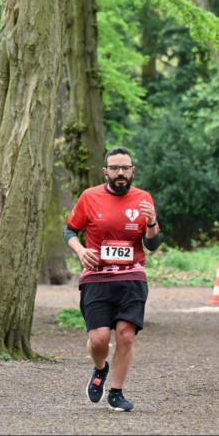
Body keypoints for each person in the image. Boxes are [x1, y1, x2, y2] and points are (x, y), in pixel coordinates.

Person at [64, 147, 162, 412]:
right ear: (105, 171)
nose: (121, 173)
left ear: (133, 171)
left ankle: (116, 393)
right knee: (99, 339)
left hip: (132, 276)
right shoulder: (89, 197)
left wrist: (152, 222)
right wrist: (81, 250)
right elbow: (70, 230)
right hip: (97, 276)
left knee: (125, 335)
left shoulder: (143, 199)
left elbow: (152, 244)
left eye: (125, 168)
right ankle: (100, 369)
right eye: (115, 168)